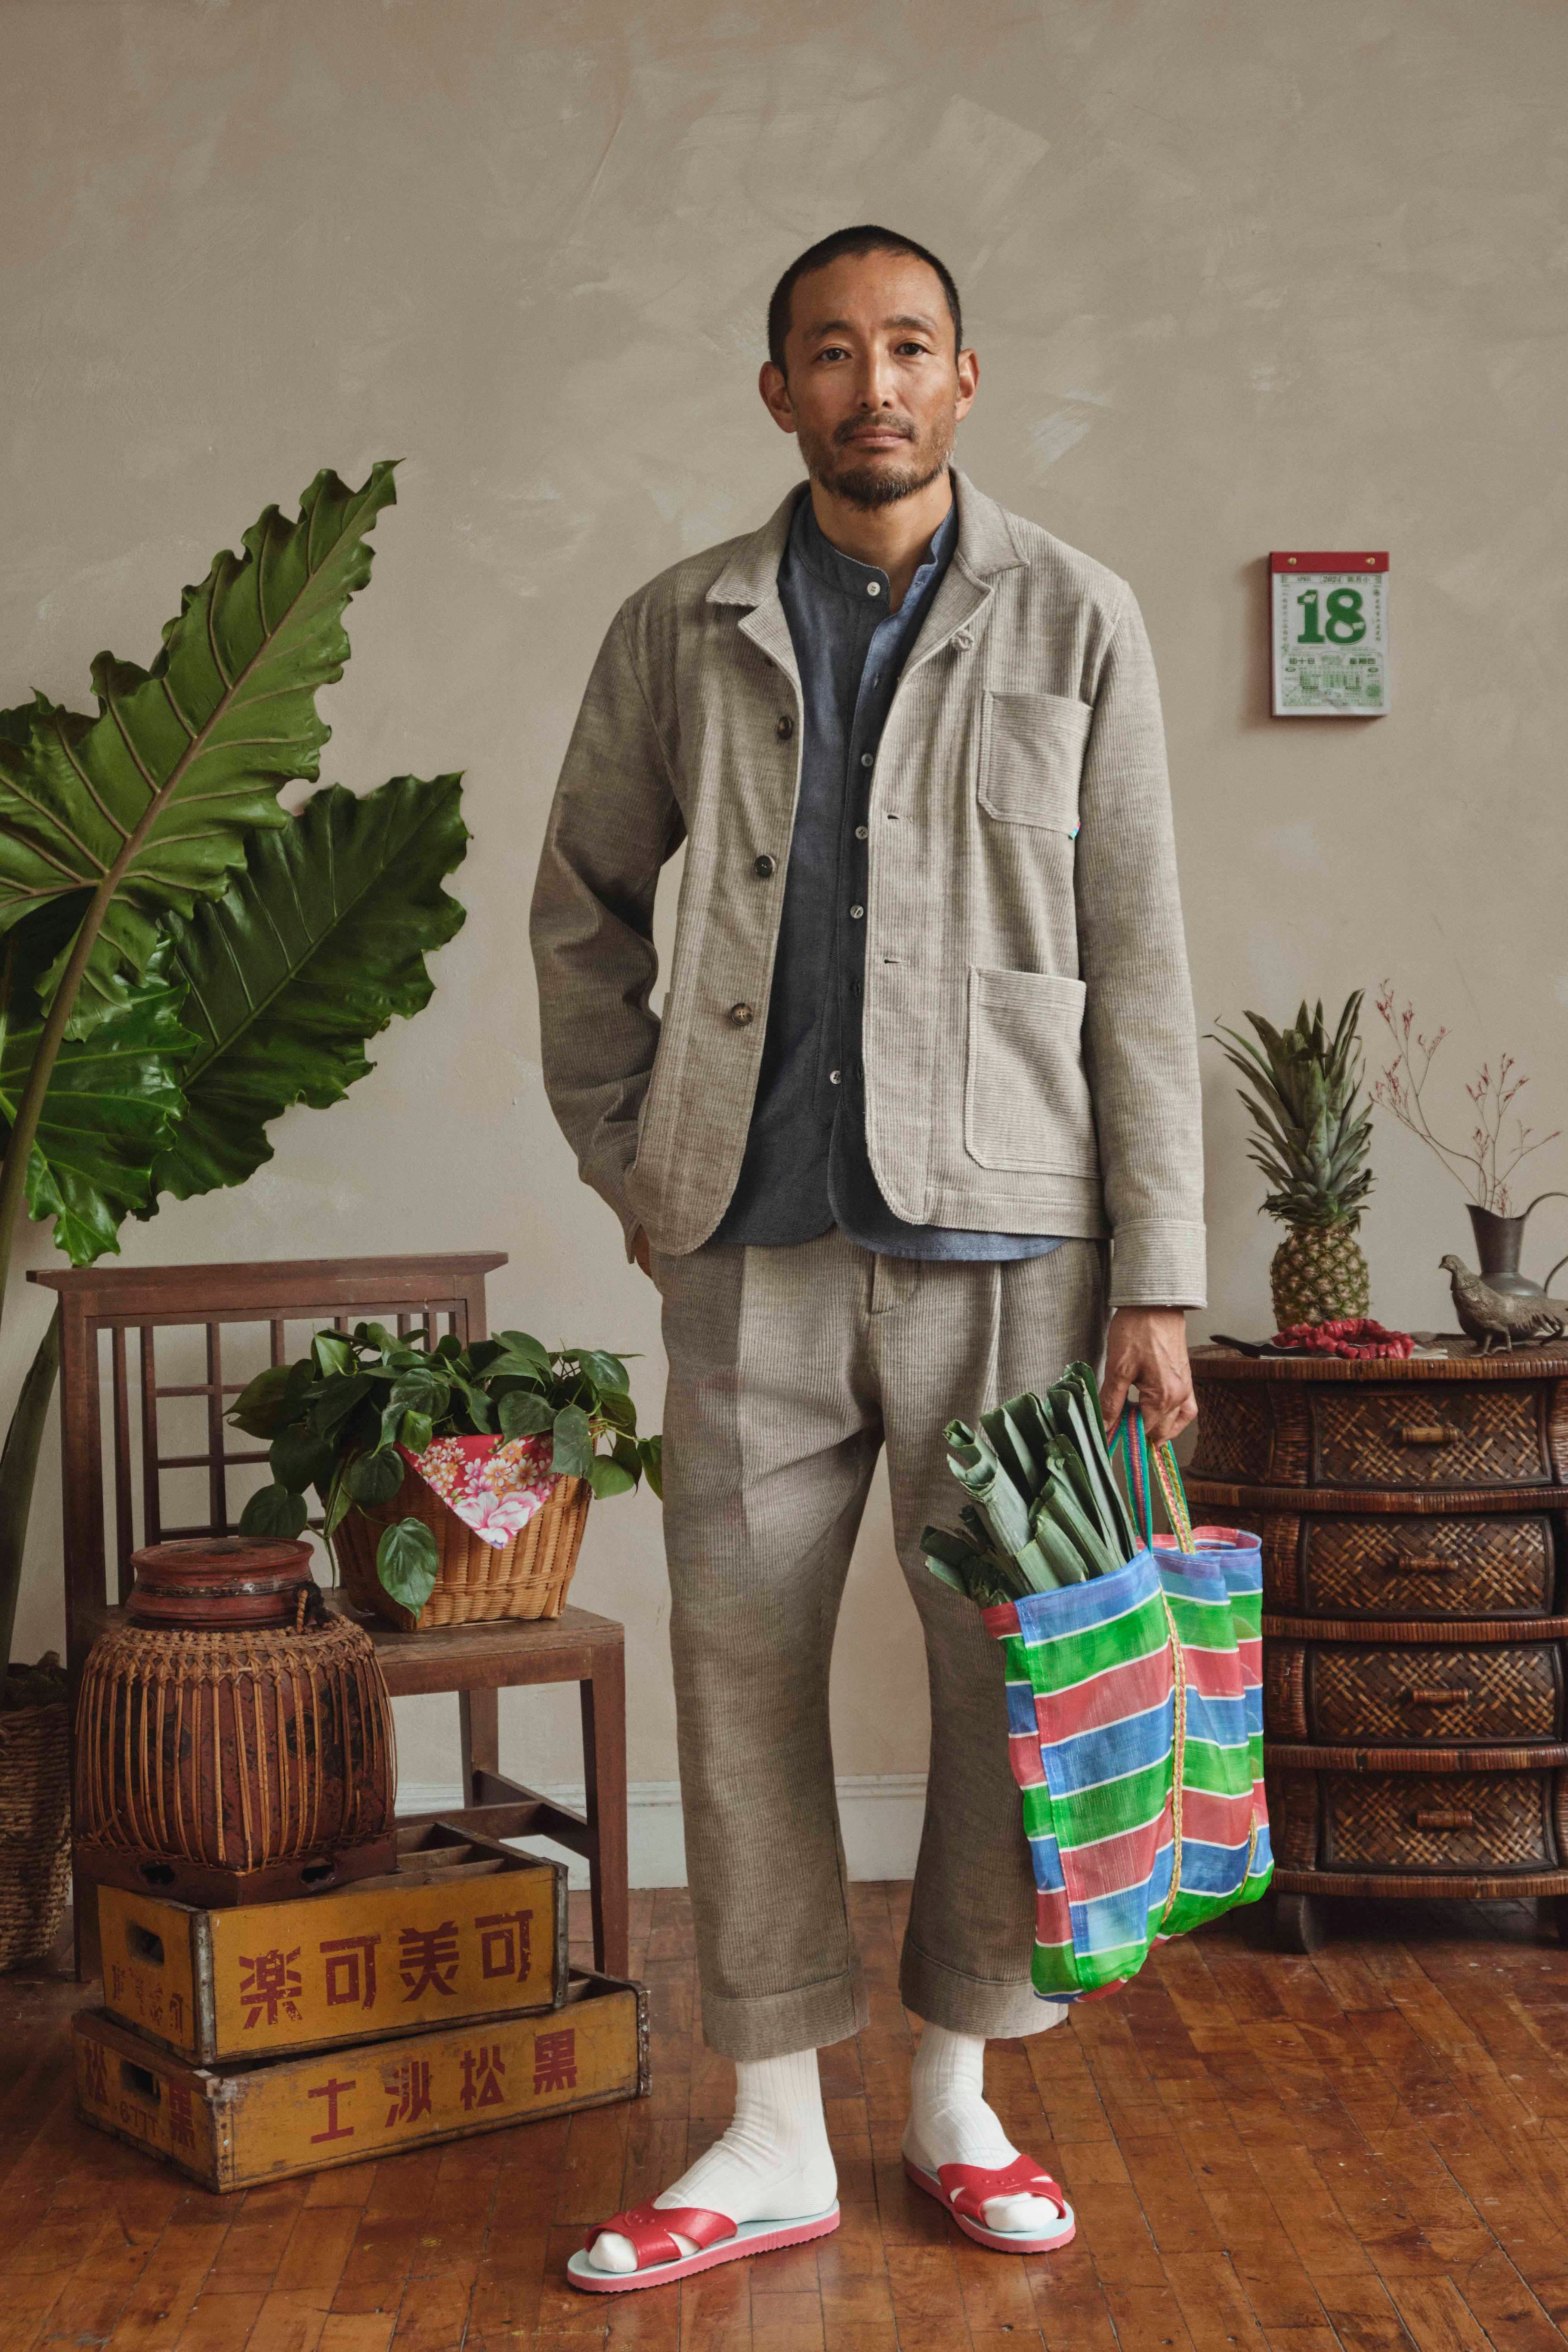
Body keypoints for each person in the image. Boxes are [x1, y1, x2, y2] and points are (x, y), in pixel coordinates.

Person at [531, 223, 1204, 2293]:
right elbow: (579, 914)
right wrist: (645, 1173)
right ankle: (768, 2132)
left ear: (967, 378)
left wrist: (1162, 1274)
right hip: (750, 1246)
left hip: (1020, 1243)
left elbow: (1141, 965)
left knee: (1011, 1677)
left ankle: (958, 2100)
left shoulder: (1079, 620)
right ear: (779, 394)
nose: (873, 383)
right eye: (832, 352)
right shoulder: (680, 628)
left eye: (908, 346)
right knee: (741, 1681)